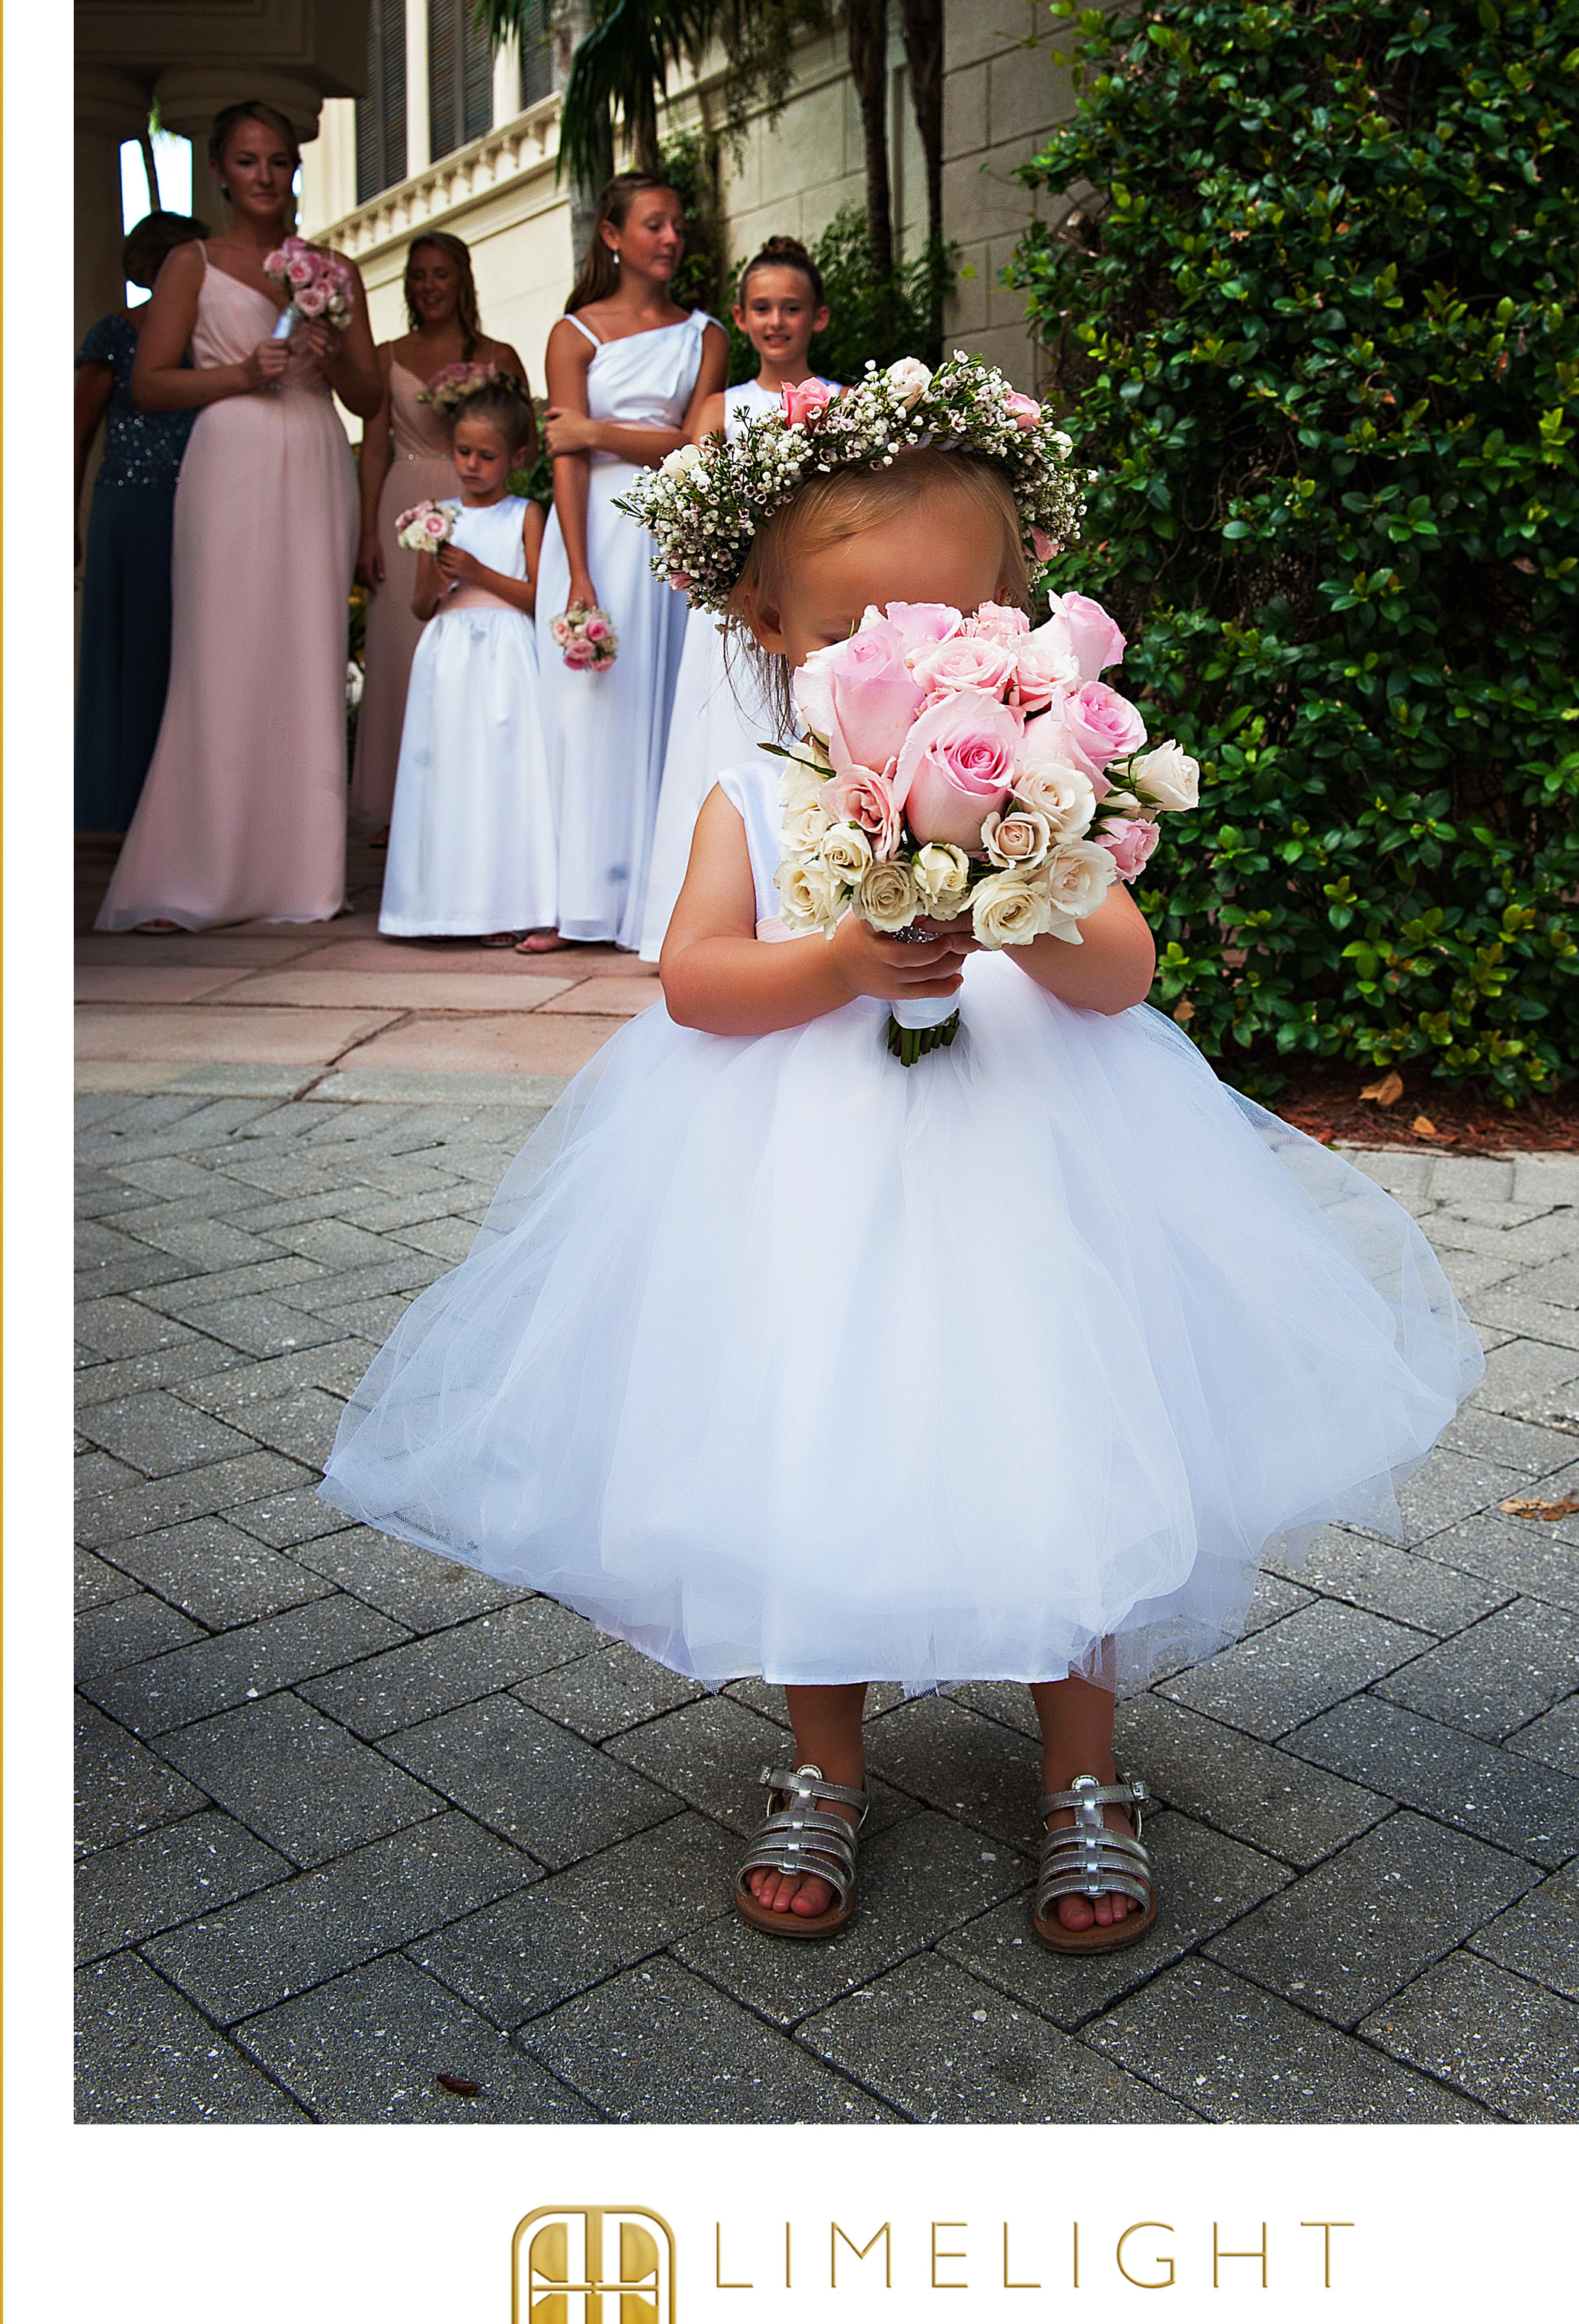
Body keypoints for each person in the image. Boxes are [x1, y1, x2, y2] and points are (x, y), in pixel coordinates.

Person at [324, 356, 1482, 1951]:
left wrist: (1037, 879)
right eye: (861, 633)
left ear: (1013, 613)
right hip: (805, 1167)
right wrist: (844, 961)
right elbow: (696, 981)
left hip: (1029, 1150)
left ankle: (1082, 1766)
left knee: (1063, 1416)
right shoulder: (750, 787)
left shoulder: (1057, 781)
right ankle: (821, 1756)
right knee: (814, 1430)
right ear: (771, 634)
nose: (917, 663)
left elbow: (1118, 971)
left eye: (954, 624)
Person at [96, 101, 383, 933]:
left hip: (315, 454)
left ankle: (299, 876)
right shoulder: (191, 263)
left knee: (306, 653)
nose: (267, 177)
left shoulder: (335, 269)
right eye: (250, 162)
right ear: (220, 170)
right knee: (218, 657)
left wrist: (329, 354)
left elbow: (369, 399)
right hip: (227, 456)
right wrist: (238, 374)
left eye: (281, 162)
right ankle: (190, 874)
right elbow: (147, 384)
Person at [523, 170, 725, 954]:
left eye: (677, 224)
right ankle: (576, 904)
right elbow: (562, 461)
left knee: (666, 713)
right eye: (653, 224)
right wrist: (576, 573)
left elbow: (697, 440)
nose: (671, 237)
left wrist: (592, 431)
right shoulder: (574, 334)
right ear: (612, 236)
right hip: (595, 541)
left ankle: (659, 904)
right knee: (586, 716)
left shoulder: (706, 334)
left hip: (672, 531)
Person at [636, 233, 836, 958]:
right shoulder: (720, 408)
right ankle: (707, 916)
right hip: (734, 609)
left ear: (816, 318)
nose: (776, 320)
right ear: (741, 318)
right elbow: (685, 503)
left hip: (815, 609)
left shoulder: (842, 406)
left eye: (791, 307)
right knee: (719, 739)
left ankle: (812, 903)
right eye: (762, 307)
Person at [351, 232, 530, 836]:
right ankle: (394, 807)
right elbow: (374, 447)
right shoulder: (385, 355)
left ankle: (463, 799)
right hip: (405, 504)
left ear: (463, 281)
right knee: (402, 651)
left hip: (476, 507)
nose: (428, 286)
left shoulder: (499, 354)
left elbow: (519, 442)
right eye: (418, 275)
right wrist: (367, 533)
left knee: (470, 657)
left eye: (440, 274)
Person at [379, 383, 558, 947]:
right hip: (449, 654)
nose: (472, 465)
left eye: (486, 455)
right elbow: (420, 605)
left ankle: (504, 904)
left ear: (517, 458)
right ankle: (438, 903)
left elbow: (541, 596)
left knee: (503, 776)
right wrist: (437, 571)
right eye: (463, 452)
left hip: (505, 654)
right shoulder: (438, 517)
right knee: (448, 775)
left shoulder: (526, 515)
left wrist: (479, 572)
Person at [73, 210, 210, 830]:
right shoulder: (115, 333)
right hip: (131, 504)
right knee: (133, 650)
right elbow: (77, 433)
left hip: (203, 500)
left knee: (189, 646)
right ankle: (121, 804)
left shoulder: (210, 338)